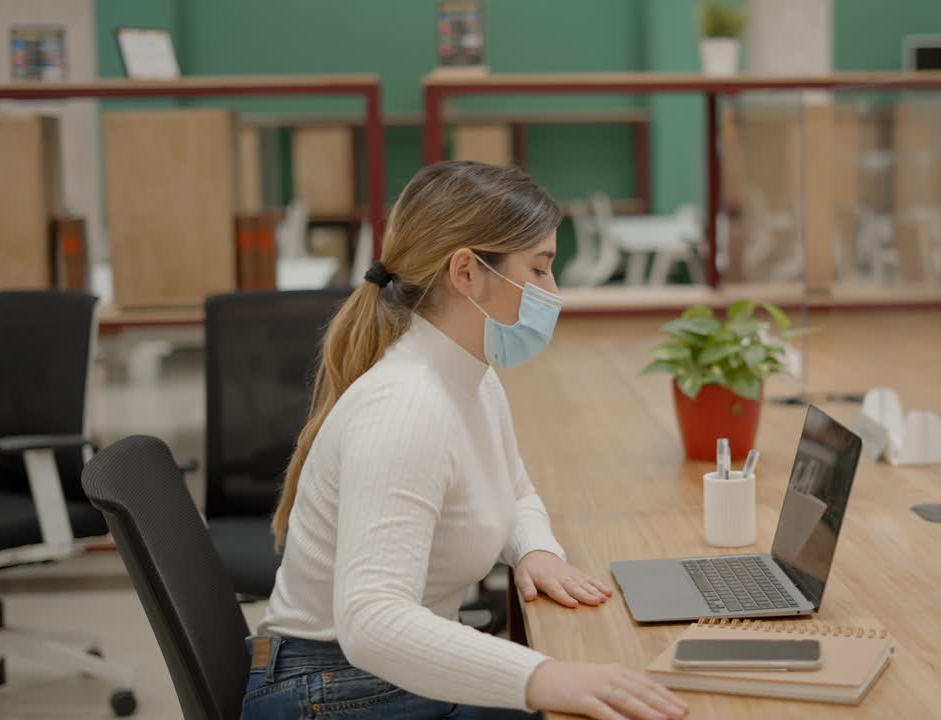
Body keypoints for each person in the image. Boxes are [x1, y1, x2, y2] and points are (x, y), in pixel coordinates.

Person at [243, 161, 688, 720]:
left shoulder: (469, 375)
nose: (555, 292)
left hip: (377, 674)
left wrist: (536, 548)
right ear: (467, 273)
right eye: (540, 269)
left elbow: (516, 488)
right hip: (334, 690)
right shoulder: (407, 408)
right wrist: (542, 676)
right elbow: (372, 621)